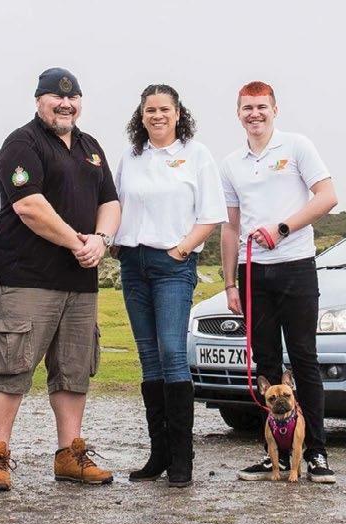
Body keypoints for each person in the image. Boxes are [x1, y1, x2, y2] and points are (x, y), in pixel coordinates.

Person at [0, 68, 121, 492]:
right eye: (56, 98)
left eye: (73, 98)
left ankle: (69, 455)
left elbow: (110, 201)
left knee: (74, 369)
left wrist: (101, 239)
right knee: (12, 366)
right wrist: (78, 242)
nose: (65, 104)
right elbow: (29, 206)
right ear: (39, 100)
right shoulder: (22, 144)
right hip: (25, 279)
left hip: (79, 283)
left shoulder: (91, 147)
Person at [219, 81, 339, 484]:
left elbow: (327, 196)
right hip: (253, 272)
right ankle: (276, 456)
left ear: (275, 110)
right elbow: (230, 227)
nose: (255, 114)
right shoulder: (231, 164)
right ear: (238, 113)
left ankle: (317, 452)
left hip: (296, 265)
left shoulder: (297, 146)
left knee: (304, 359)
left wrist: (283, 228)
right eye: (247, 108)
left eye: (262, 107)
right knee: (266, 363)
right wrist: (230, 284)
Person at [113, 84, 226, 487]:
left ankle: (182, 459)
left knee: (173, 354)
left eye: (164, 109)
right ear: (141, 115)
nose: (157, 116)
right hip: (133, 263)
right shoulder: (131, 156)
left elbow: (211, 215)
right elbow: (116, 205)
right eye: (150, 110)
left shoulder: (196, 154)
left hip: (173, 264)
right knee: (148, 358)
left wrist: (181, 250)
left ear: (178, 113)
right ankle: (158, 454)